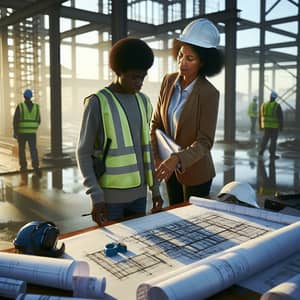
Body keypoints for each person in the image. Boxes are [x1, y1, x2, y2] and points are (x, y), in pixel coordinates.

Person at [76, 37, 163, 226]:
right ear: (118, 71)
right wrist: (95, 195)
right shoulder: (97, 103)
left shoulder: (144, 102)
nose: (139, 82)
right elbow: (83, 152)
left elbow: (145, 149)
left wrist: (155, 189)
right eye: (134, 77)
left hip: (140, 197)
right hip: (110, 199)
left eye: (143, 76)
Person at [150, 18, 224, 205]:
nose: (182, 63)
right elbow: (156, 123)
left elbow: (204, 141)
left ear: (203, 63)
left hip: (197, 173)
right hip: (169, 169)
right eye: (180, 55)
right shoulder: (168, 81)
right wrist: (157, 156)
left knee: (193, 224)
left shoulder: (209, 93)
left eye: (190, 59)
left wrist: (177, 159)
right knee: (174, 217)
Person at [13, 89, 41, 176]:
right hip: (32, 132)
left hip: (21, 133)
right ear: (31, 96)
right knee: (33, 149)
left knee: (22, 150)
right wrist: (33, 127)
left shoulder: (20, 106)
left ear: (24, 97)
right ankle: (35, 166)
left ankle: (23, 166)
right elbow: (39, 120)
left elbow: (15, 120)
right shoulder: (36, 107)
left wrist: (15, 131)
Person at [258, 91, 283, 160]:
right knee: (273, 141)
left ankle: (261, 151)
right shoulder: (277, 105)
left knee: (265, 139)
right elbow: (280, 117)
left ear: (270, 96)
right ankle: (272, 155)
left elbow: (261, 116)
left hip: (266, 126)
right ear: (275, 98)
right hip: (274, 127)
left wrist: (261, 126)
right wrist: (281, 126)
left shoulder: (264, 105)